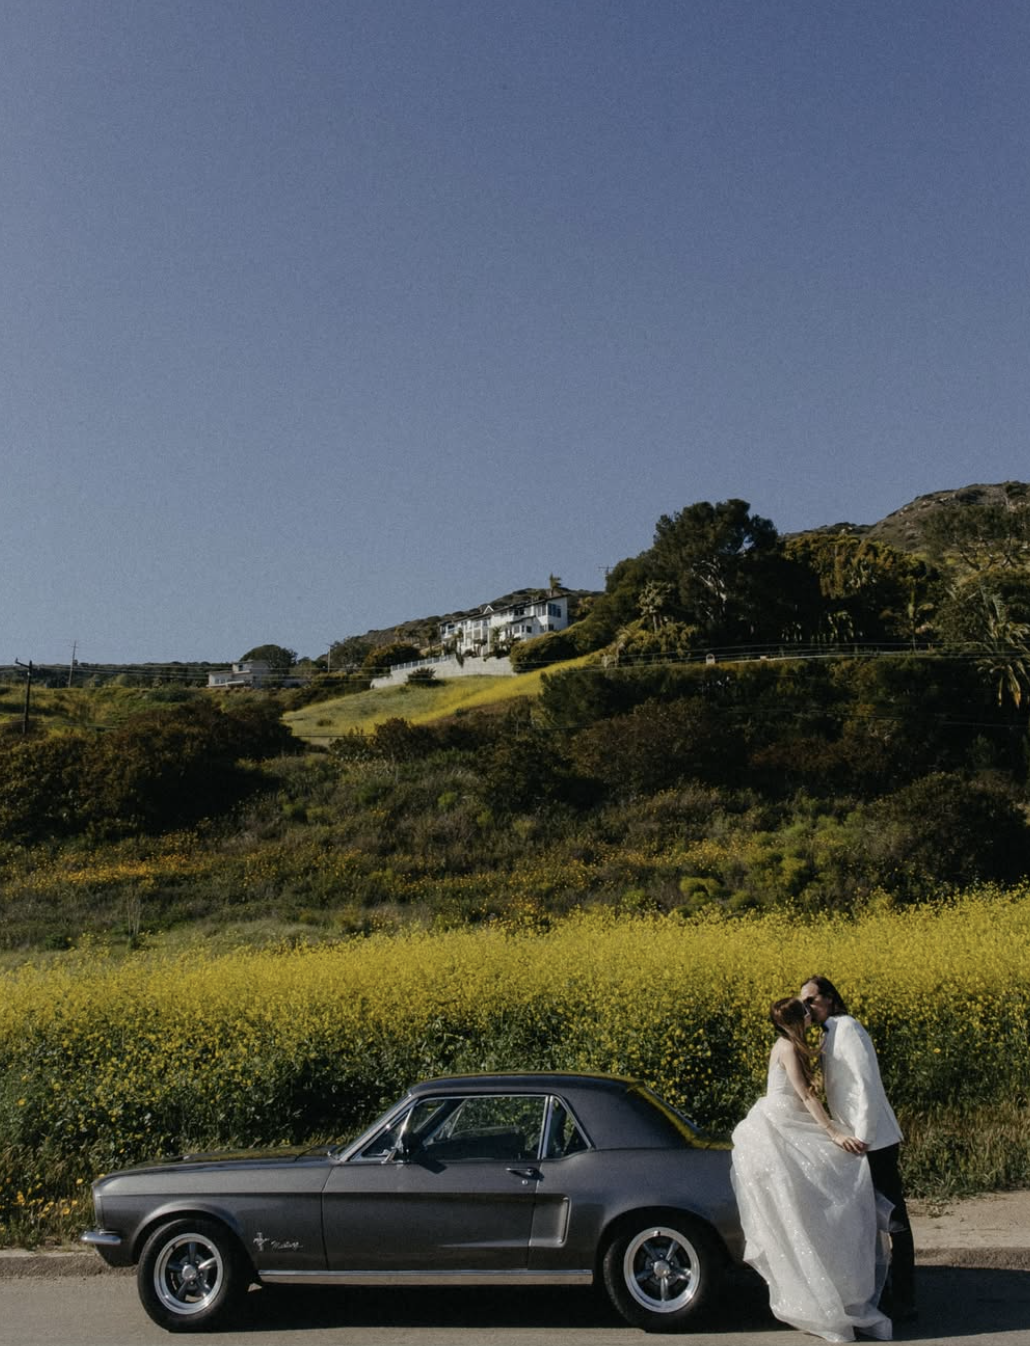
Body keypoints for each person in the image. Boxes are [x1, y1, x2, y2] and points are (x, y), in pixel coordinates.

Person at [731, 997, 892, 1344]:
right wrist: (834, 1133)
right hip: (781, 1127)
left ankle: (835, 1291)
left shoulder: (792, 1044)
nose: (810, 1013)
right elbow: (804, 1095)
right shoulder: (787, 1048)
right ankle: (826, 1299)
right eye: (805, 1010)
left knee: (812, 1209)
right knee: (824, 1190)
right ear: (797, 1020)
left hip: (790, 1121)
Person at [801, 975, 916, 1323]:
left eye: (812, 1000)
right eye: (802, 1003)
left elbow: (866, 1083)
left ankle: (905, 1298)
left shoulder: (847, 1028)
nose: (807, 1007)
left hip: (875, 1140)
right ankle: (886, 1291)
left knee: (893, 1218)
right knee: (871, 1218)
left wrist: (863, 1136)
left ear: (831, 999)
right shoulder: (831, 1031)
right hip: (861, 1140)